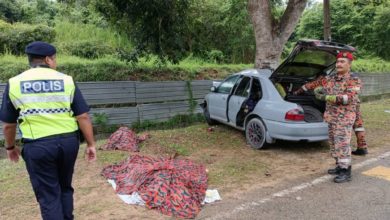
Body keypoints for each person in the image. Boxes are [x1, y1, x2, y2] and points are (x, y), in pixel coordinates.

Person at [0, 41, 97, 219]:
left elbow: (8, 124)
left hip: (38, 146)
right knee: (65, 188)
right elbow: (82, 116)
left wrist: (10, 147)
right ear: (47, 59)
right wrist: (91, 144)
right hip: (68, 143)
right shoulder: (66, 80)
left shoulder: (14, 83)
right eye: (55, 59)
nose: (56, 62)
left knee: (48, 195)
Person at [295, 51, 361, 183]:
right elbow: (323, 87)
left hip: (345, 117)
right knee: (334, 142)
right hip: (331, 116)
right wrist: (319, 90)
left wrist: (326, 97)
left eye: (342, 62)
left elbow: (348, 97)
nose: (339, 64)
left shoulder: (353, 79)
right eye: (337, 62)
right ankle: (339, 165)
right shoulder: (332, 78)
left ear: (349, 64)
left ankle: (345, 171)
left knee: (342, 143)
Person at [294, 72, 368, 156]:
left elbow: (309, 86)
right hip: (355, 103)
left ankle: (343, 152)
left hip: (343, 106)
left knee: (342, 128)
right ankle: (362, 147)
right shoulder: (345, 78)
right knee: (358, 125)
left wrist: (296, 92)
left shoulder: (326, 79)